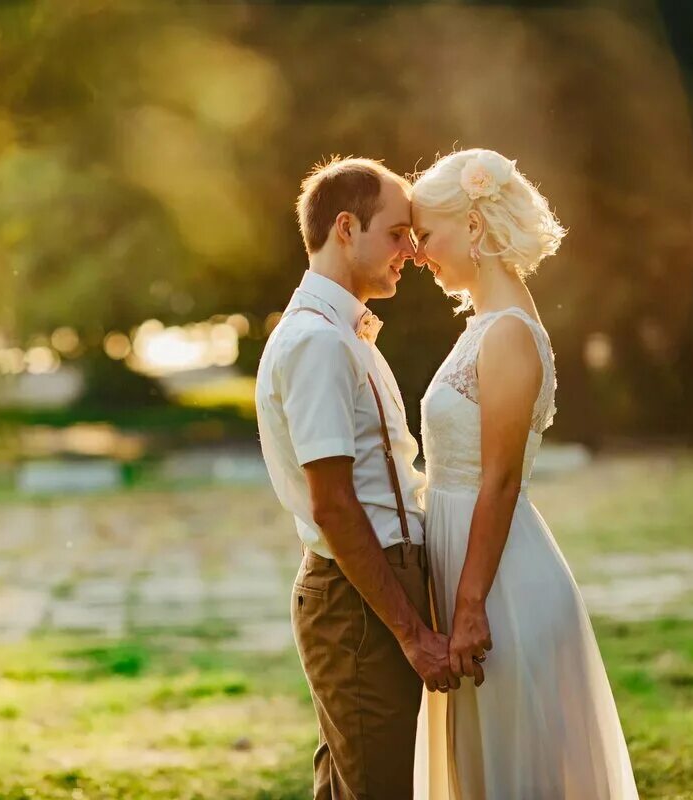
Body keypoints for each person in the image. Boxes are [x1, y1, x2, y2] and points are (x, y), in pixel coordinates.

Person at [410, 148, 638, 799]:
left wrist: (471, 607)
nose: (419, 253)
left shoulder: (508, 333)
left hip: (502, 588)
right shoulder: (486, 325)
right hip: (471, 570)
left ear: (474, 227)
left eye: (427, 235)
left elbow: (501, 481)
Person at [255, 156, 458, 799]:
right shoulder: (318, 343)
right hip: (358, 597)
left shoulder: (344, 334)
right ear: (347, 227)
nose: (411, 251)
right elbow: (336, 507)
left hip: (366, 587)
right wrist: (413, 633)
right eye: (397, 234)